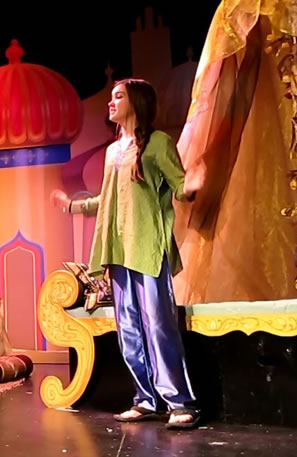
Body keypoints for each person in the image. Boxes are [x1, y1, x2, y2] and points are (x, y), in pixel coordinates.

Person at [51, 79, 202, 429]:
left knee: (159, 325)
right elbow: (106, 199)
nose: (111, 102)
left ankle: (180, 401)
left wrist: (192, 186)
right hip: (118, 249)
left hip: (147, 247)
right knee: (129, 328)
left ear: (137, 103)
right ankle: (145, 399)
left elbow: (180, 187)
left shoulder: (159, 143)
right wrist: (72, 205)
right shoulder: (113, 151)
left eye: (118, 96)